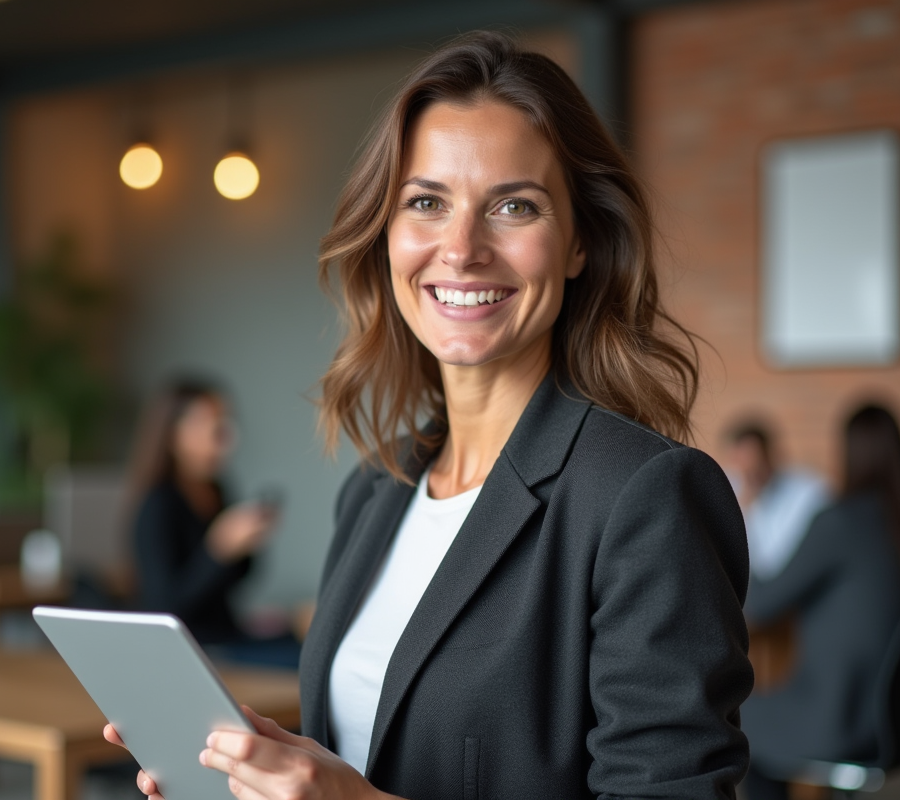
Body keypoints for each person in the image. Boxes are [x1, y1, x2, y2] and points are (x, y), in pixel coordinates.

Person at [107, 32, 751, 799]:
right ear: (386, 234)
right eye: (426, 202)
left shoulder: (644, 496)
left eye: (514, 206)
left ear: (579, 243)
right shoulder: (376, 488)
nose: (462, 247)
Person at [742, 404, 900, 800]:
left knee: (734, 714)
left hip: (838, 717)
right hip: (892, 725)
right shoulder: (894, 524)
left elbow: (761, 604)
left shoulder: (842, 522)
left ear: (848, 453)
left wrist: (745, 513)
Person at [128, 379, 296, 667]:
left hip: (228, 633)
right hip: (194, 649)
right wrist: (218, 549)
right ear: (174, 433)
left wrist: (247, 543)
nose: (224, 435)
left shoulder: (218, 489)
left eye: (225, 423)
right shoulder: (158, 505)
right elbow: (164, 608)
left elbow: (239, 578)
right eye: (210, 424)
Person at [723, 420, 829, 580]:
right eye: (743, 465)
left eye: (756, 463)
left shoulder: (809, 491)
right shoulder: (728, 489)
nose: (751, 474)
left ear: (770, 456)